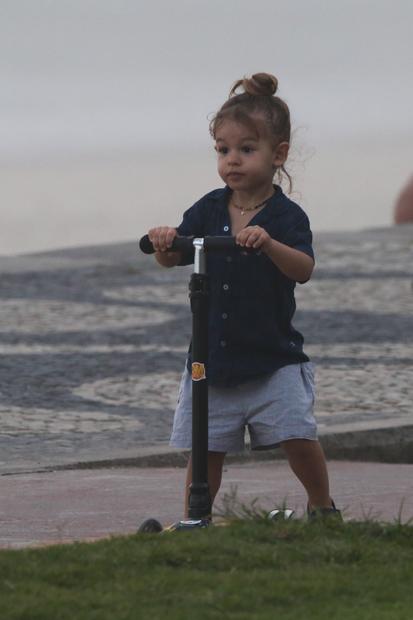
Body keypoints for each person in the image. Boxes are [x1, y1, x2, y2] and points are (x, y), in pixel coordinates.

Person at [147, 72, 341, 520]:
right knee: (206, 446)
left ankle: (322, 507)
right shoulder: (210, 208)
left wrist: (270, 244)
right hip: (212, 357)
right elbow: (176, 254)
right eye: (223, 150)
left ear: (279, 154)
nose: (232, 161)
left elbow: (304, 269)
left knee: (298, 435)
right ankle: (197, 516)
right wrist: (163, 242)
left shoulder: (287, 216)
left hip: (273, 357)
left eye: (246, 149)